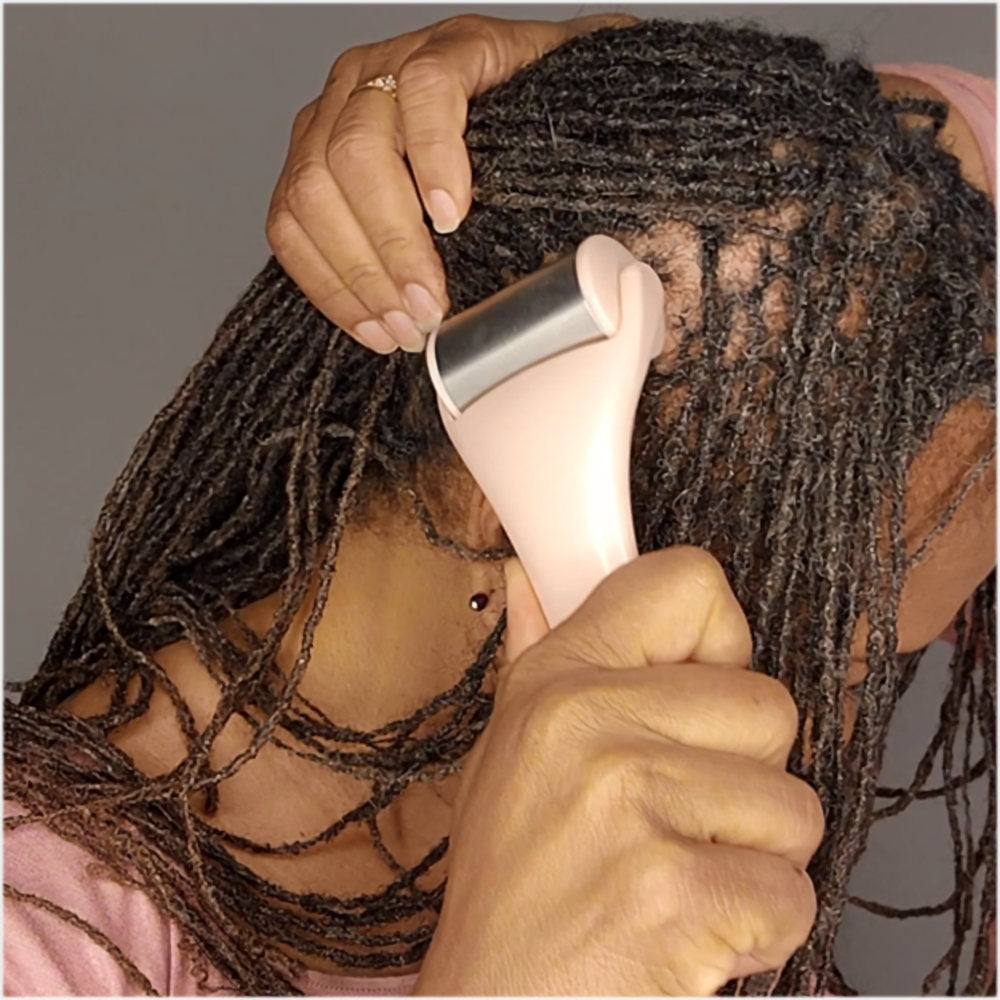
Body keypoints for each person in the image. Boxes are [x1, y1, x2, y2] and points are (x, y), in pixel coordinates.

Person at [4, 12, 995, 997]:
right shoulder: (40, 933)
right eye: (835, 652)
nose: (813, 747)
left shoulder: (674, 871)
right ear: (520, 491)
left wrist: (670, 98)